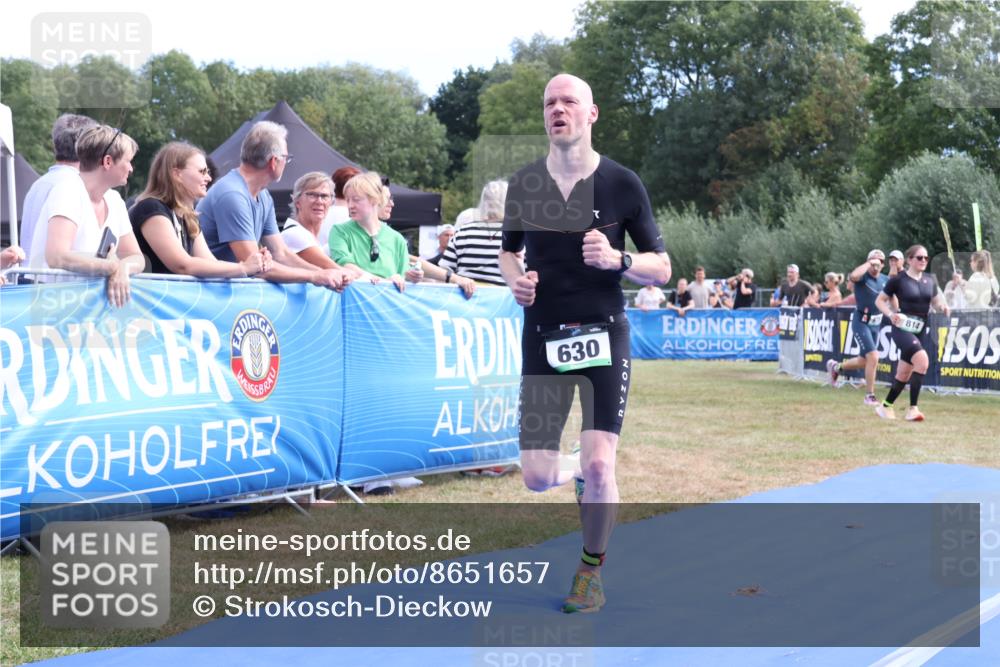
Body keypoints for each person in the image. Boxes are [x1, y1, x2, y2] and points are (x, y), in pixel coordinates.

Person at [499, 73, 670, 614]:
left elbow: (662, 268)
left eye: (569, 101)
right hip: (544, 336)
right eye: (550, 102)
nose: (558, 109)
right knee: (536, 477)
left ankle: (590, 572)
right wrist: (515, 280)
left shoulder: (622, 184)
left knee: (603, 466)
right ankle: (575, 469)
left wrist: (620, 260)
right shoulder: (526, 184)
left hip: (604, 333)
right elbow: (509, 252)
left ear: (591, 114)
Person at [196, 121, 350, 290]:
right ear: (274, 161)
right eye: (286, 158)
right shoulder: (232, 195)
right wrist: (315, 275)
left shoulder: (263, 195)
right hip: (208, 292)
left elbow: (281, 253)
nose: (286, 162)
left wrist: (324, 274)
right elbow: (257, 267)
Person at [26, 125, 144, 307]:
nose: (131, 168)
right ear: (107, 162)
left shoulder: (115, 200)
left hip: (85, 308)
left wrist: (122, 268)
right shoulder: (68, 190)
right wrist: (112, 267)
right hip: (50, 306)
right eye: (128, 161)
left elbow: (137, 257)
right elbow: (57, 257)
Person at [129, 142, 270, 277]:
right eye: (202, 172)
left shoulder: (188, 217)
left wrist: (257, 262)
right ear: (176, 174)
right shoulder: (150, 208)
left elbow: (210, 263)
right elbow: (182, 265)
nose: (208, 178)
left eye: (207, 172)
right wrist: (243, 267)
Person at [874, 244, 950, 422]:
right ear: (909, 260)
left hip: (920, 330)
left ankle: (885, 406)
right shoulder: (898, 279)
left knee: (904, 373)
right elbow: (879, 301)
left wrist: (943, 307)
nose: (923, 261)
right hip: (902, 328)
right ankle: (912, 409)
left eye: (926, 258)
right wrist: (891, 315)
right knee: (922, 361)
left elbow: (936, 302)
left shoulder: (931, 280)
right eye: (919, 258)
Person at [19, 114, 98, 260]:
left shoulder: (38, 184)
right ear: (89, 147)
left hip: (32, 275)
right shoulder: (73, 186)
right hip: (52, 279)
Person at [328, 171, 409, 291]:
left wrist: (405, 277)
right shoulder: (340, 231)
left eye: (356, 200)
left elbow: (404, 277)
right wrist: (384, 282)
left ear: (375, 200)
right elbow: (346, 266)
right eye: (348, 200)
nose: (350, 205)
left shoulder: (397, 239)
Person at [827, 250, 888, 405]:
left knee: (864, 360)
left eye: (879, 262)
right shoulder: (862, 277)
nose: (876, 265)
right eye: (873, 261)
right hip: (861, 321)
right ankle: (869, 396)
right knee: (873, 356)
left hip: (876, 323)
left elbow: (892, 297)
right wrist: (869, 262)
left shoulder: (885, 279)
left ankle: (836, 367)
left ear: (883, 265)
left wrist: (897, 312)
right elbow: (853, 277)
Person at [438, 180, 509, 286]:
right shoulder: (520, 235)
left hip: (466, 299)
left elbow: (443, 273)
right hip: (505, 301)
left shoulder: (463, 232)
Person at [280, 171, 343, 270]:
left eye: (324, 196)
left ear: (331, 202)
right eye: (312, 195)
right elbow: (336, 270)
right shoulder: (294, 234)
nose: (319, 201)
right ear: (297, 201)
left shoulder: (315, 237)